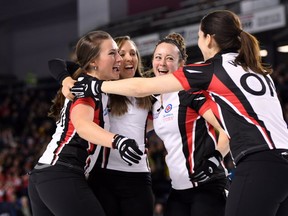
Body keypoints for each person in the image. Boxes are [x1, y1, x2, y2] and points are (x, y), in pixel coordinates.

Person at [70, 10, 288, 216]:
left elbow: (141, 87)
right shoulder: (257, 70)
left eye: (200, 36)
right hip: (276, 159)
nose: (161, 63)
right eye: (157, 57)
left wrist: (96, 86)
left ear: (209, 39)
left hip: (255, 164)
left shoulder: (205, 73)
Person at [28, 30, 144, 216]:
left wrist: (65, 79)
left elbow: (57, 63)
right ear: (93, 62)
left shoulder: (92, 82)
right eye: (113, 53)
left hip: (47, 175)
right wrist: (118, 141)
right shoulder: (87, 87)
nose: (120, 59)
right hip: (62, 174)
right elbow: (83, 126)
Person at [147, 32, 229, 216]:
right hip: (177, 190)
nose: (162, 63)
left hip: (208, 186)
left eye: (169, 58)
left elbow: (227, 127)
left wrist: (215, 158)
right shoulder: (155, 100)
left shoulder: (190, 93)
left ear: (181, 64)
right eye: (158, 57)